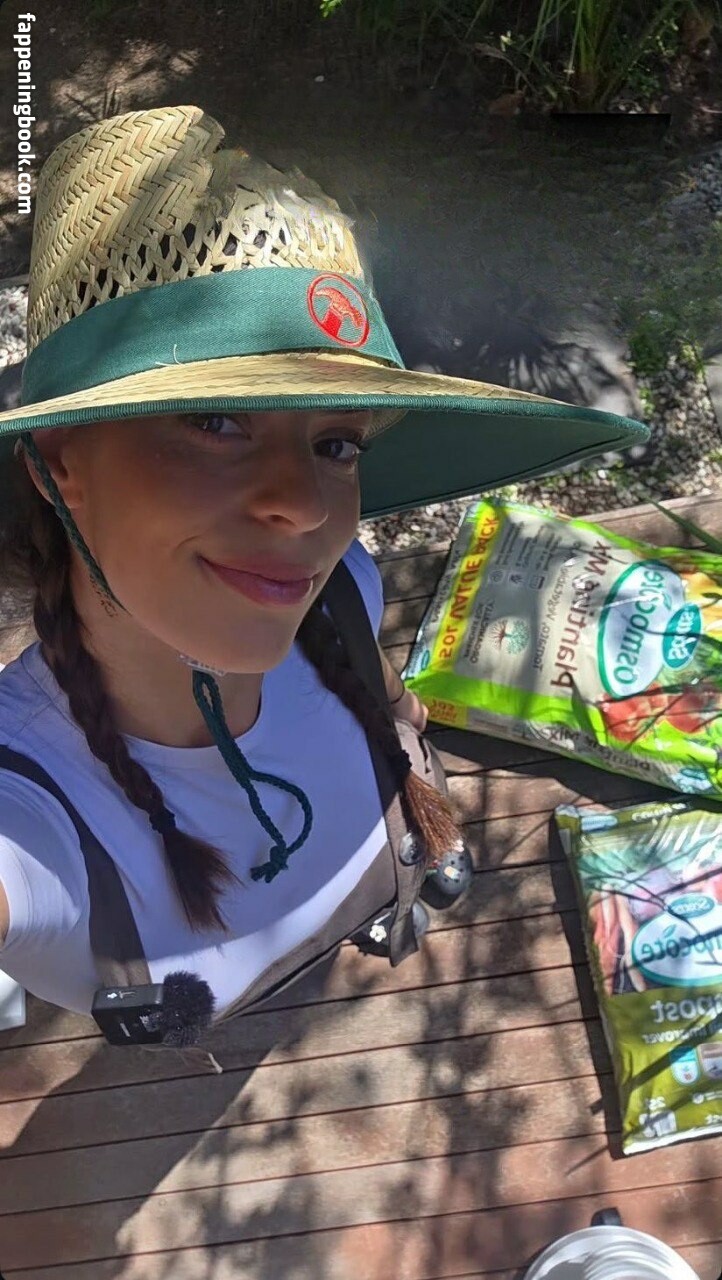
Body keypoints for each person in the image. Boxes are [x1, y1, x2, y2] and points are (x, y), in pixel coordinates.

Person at [0, 104, 648, 1056]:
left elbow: (384, 692)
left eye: (337, 443)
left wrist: (406, 726)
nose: (307, 509)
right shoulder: (26, 804)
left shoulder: (339, 583)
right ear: (61, 464)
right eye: (216, 423)